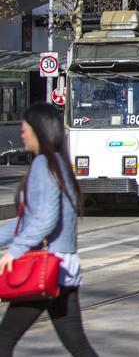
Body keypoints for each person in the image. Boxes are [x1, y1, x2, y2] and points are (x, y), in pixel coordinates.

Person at [0, 104, 97, 357]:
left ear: (39, 131)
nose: (22, 133)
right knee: (78, 345)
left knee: (3, 342)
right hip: (63, 267)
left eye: (25, 128)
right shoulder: (57, 165)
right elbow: (29, 221)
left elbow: (44, 220)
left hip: (45, 268)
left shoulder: (44, 165)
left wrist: (14, 252)